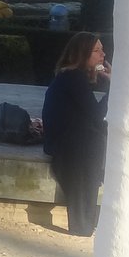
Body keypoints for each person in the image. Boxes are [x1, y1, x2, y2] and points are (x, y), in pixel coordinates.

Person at [42, 32, 111, 237]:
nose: (103, 54)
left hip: (68, 142)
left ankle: (89, 220)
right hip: (69, 148)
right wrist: (114, 86)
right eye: (97, 50)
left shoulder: (72, 76)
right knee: (98, 138)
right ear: (83, 54)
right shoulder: (74, 78)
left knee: (102, 136)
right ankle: (84, 224)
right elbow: (98, 114)